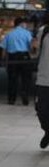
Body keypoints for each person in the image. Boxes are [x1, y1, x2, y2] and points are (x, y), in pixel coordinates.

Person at [2, 18, 35, 106]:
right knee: (26, 78)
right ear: (21, 24)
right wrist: (32, 53)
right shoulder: (27, 33)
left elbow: (4, 49)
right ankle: (25, 95)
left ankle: (11, 99)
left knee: (12, 79)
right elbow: (31, 46)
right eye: (25, 23)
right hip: (24, 57)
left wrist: (3, 59)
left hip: (12, 58)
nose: (26, 25)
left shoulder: (9, 34)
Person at [34, 20, 49, 150]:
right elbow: (34, 53)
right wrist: (32, 47)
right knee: (41, 110)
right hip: (44, 79)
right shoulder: (44, 31)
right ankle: (47, 130)